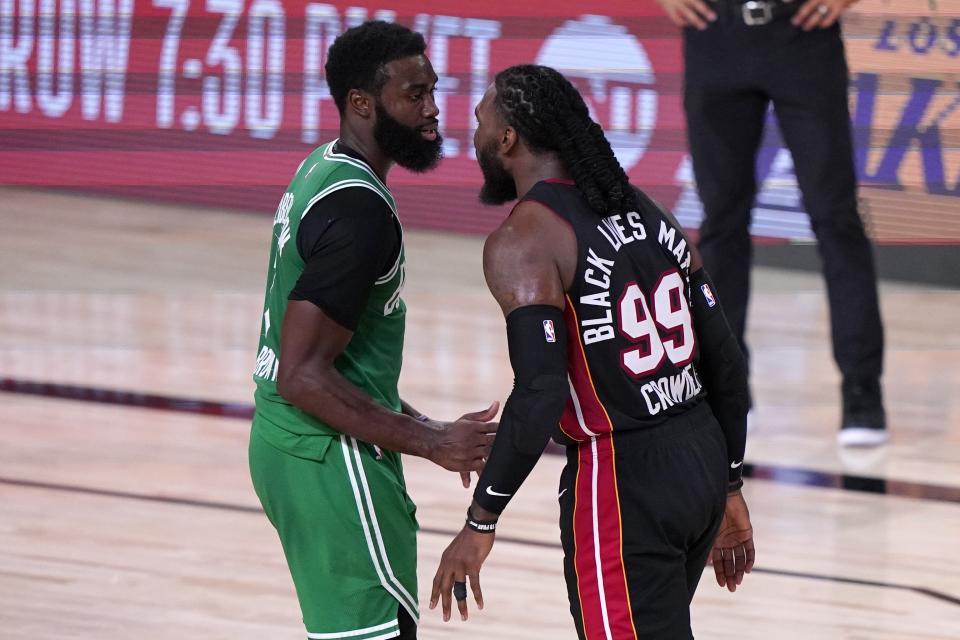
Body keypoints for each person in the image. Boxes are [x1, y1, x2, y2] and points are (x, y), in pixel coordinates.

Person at [429, 64, 755, 639]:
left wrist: (481, 519)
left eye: (481, 121)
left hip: (624, 478)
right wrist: (728, 483)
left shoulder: (526, 237)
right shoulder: (648, 211)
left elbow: (540, 390)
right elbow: (725, 361)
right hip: (700, 453)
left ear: (508, 140)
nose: (474, 133)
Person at [248, 21, 498, 640]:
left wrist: (430, 427)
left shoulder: (323, 168)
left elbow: (337, 366)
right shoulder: (358, 212)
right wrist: (429, 445)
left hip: (293, 442)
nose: (433, 110)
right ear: (362, 103)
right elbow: (303, 374)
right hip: (326, 455)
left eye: (433, 90)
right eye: (414, 95)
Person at [657, 0, 886, 446]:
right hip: (715, 35)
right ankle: (728, 388)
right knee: (721, 222)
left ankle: (862, 389)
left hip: (800, 34)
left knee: (835, 217)